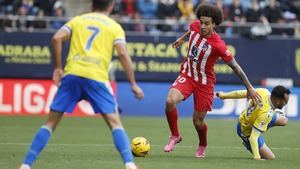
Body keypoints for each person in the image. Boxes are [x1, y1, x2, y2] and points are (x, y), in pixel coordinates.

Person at [18, 0, 144, 169]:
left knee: (50, 123)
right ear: (111, 6)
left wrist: (57, 68)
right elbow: (122, 53)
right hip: (96, 77)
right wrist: (133, 84)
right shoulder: (114, 27)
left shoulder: (78, 20)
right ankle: (129, 165)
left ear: (92, 6)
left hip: (72, 75)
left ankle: (26, 165)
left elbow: (56, 38)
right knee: (115, 123)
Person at [163, 4, 261, 158]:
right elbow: (192, 30)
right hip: (188, 75)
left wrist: (249, 87)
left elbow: (235, 66)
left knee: (198, 122)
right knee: (170, 101)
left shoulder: (219, 45)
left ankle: (203, 144)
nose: (202, 26)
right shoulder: (195, 26)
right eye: (201, 22)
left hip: (205, 84)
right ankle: (175, 135)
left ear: (214, 24)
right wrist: (182, 38)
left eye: (207, 24)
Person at [215, 85, 290, 160]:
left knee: (284, 121)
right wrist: (257, 157)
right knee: (270, 158)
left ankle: (261, 126)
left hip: (256, 117)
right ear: (277, 100)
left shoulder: (264, 91)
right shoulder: (266, 114)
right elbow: (253, 137)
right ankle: (249, 139)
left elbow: (241, 93)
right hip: (246, 131)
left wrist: (223, 95)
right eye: (285, 101)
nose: (286, 103)